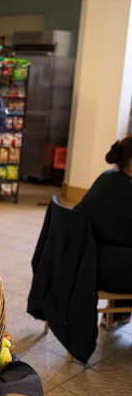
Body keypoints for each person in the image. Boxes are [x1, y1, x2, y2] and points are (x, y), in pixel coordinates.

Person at [74, 137, 132, 325]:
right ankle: (118, 311)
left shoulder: (106, 178)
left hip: (83, 264)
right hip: (107, 274)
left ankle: (117, 313)